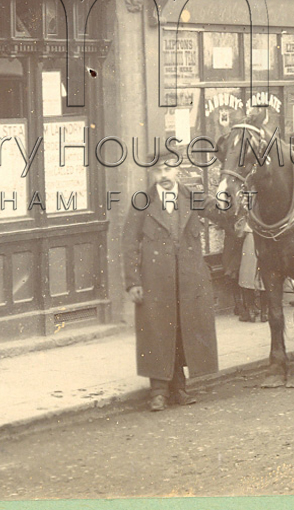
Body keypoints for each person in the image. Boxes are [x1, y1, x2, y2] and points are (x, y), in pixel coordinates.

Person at [122, 163, 218, 411]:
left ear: (177, 170)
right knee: (158, 332)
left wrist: (230, 194)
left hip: (187, 279)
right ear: (151, 174)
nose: (163, 175)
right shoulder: (142, 201)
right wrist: (133, 282)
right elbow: (130, 242)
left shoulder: (192, 197)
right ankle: (158, 392)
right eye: (157, 171)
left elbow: (220, 211)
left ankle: (179, 388)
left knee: (182, 330)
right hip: (155, 280)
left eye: (167, 169)